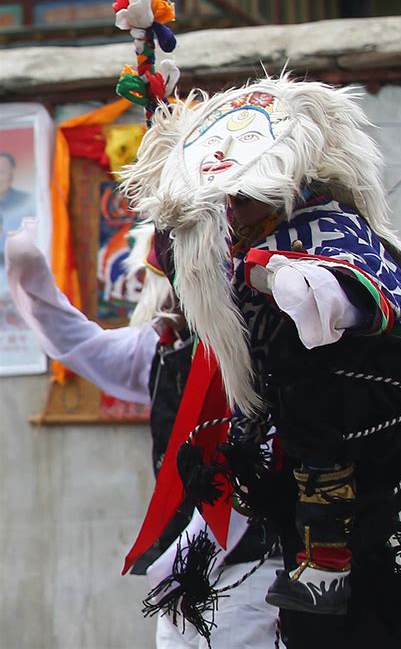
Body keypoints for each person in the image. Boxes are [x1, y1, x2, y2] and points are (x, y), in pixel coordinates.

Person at [118, 76, 401, 649]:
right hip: (279, 469)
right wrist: (166, 139)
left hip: (365, 437)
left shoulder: (327, 224)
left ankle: (325, 535)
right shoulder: (230, 258)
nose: (231, 211)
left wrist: (305, 285)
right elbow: (179, 251)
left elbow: (367, 295)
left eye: (240, 196)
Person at [5, 218, 281, 649]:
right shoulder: (161, 349)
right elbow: (79, 344)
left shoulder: (268, 347)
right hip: (183, 578)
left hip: (257, 569)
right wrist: (29, 273)